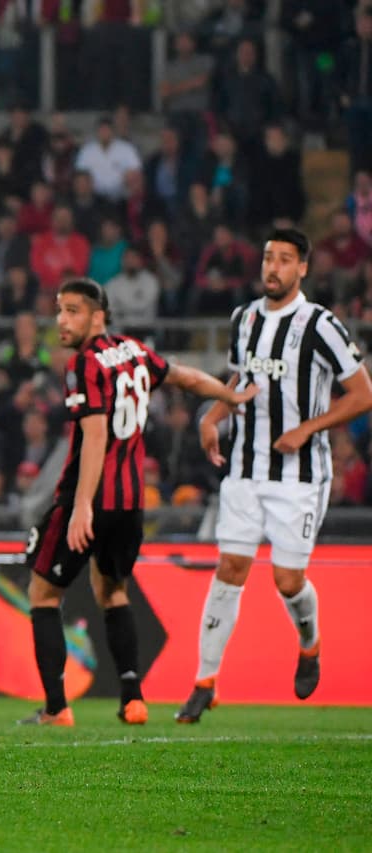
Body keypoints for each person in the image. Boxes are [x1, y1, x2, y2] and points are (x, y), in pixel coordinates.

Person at [22, 278, 259, 727]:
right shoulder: (133, 350)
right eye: (59, 310)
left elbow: (94, 436)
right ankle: (133, 699)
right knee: (112, 591)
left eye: (72, 311)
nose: (61, 320)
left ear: (98, 316)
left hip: (88, 498)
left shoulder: (84, 364)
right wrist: (228, 395)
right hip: (130, 502)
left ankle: (56, 708)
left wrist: (82, 506)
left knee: (44, 593)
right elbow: (186, 377)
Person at [178, 228, 372, 722]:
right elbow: (241, 379)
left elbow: (362, 394)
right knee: (230, 568)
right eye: (269, 257)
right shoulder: (243, 318)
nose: (273, 267)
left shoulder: (321, 324)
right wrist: (212, 416)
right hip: (245, 468)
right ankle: (204, 681)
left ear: (302, 268)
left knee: (287, 581)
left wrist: (307, 428)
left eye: (285, 259)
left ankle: (310, 643)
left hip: (299, 476)